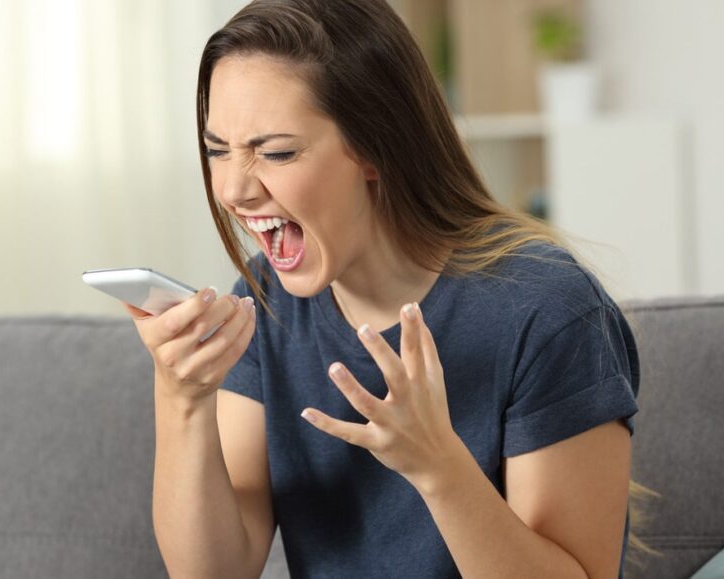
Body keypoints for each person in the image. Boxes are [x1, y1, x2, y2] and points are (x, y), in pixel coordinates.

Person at [125, 1, 640, 577]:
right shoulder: (266, 301)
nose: (232, 189)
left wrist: (440, 469)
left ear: (377, 147)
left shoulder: (547, 311)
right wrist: (182, 399)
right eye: (218, 150)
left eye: (276, 152)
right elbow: (213, 571)